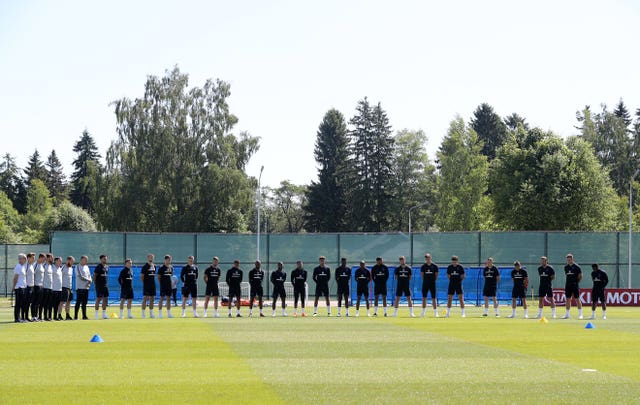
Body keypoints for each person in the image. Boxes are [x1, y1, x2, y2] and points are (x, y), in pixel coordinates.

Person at [563, 253, 583, 319]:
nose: (568, 260)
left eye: (569, 259)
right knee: (568, 299)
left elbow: (580, 276)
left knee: (577, 299)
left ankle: (580, 314)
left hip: (575, 285)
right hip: (568, 285)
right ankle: (567, 314)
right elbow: (567, 275)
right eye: (567, 259)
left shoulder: (577, 267)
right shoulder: (566, 267)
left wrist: (576, 282)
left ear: (572, 259)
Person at [420, 253, 439, 317]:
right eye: (426, 258)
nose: (427, 259)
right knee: (424, 298)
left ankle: (436, 313)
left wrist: (432, 281)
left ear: (431, 258)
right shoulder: (423, 266)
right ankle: (423, 313)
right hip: (425, 284)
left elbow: (436, 275)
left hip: (432, 284)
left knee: (433, 298)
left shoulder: (435, 266)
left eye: (428, 257)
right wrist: (426, 281)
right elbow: (422, 275)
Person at [140, 254, 157, 319]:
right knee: (145, 298)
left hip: (153, 285)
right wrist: (145, 283)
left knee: (152, 299)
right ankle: (143, 314)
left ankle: (151, 313)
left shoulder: (154, 266)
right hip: (147, 285)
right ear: (147, 258)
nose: (151, 258)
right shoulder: (145, 266)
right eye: (150, 257)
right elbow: (142, 276)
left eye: (152, 257)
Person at [74, 255, 91, 320]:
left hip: (86, 287)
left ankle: (84, 316)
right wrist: (88, 280)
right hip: (80, 287)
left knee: (84, 303)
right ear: (82, 260)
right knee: (78, 302)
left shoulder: (87, 267)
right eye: (85, 260)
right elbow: (80, 276)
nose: (86, 261)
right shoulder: (77, 266)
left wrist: (89, 281)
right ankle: (75, 316)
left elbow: (89, 275)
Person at [93, 254, 109, 320]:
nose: (105, 260)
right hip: (99, 286)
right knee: (98, 299)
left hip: (105, 286)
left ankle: (104, 314)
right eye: (104, 259)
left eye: (106, 259)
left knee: (105, 300)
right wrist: (96, 284)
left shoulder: (107, 267)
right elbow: (94, 276)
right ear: (101, 259)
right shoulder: (98, 267)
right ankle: (96, 314)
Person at [12, 253, 27, 323]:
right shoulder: (18, 266)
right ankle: (17, 318)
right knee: (18, 304)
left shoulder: (23, 266)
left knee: (22, 303)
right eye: (24, 258)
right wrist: (14, 287)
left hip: (23, 287)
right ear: (21, 259)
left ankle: (20, 318)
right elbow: (15, 278)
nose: (25, 260)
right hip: (19, 287)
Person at [60, 256, 75, 320]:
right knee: (62, 302)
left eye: (73, 262)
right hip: (64, 287)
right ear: (68, 261)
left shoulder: (71, 268)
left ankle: (67, 315)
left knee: (68, 302)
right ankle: (59, 315)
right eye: (71, 262)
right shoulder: (63, 268)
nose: (72, 263)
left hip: (70, 288)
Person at [32, 253, 46, 321]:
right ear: (40, 258)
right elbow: (32, 275)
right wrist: (33, 285)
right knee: (34, 302)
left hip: (41, 286)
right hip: (36, 286)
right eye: (43, 259)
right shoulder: (35, 265)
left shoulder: (42, 265)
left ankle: (36, 316)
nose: (44, 260)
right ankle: (33, 316)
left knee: (38, 302)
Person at [42, 253, 54, 321]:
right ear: (47, 258)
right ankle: (45, 316)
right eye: (51, 257)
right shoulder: (44, 266)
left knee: (50, 303)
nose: (52, 259)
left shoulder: (51, 266)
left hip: (50, 287)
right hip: (45, 287)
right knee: (45, 303)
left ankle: (49, 316)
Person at [24, 253, 35, 322]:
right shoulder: (26, 266)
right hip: (27, 287)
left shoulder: (31, 266)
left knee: (30, 303)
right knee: (26, 303)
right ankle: (25, 317)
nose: (34, 259)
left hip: (32, 286)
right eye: (33, 258)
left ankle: (29, 316)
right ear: (28, 258)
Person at [52, 256, 63, 321]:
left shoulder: (60, 269)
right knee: (53, 304)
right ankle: (50, 316)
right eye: (59, 261)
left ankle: (55, 316)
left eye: (61, 261)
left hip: (59, 289)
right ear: (55, 261)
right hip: (54, 289)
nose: (61, 262)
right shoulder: (52, 268)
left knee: (57, 304)